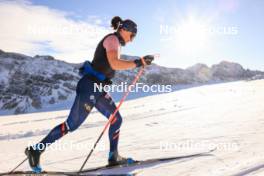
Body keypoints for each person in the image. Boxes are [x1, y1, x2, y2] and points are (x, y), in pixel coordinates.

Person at [25, 16, 154, 172]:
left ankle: (113, 157)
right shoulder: (112, 39)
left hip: (98, 89)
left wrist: (140, 62)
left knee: (116, 119)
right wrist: (138, 62)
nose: (132, 40)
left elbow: (110, 65)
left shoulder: (116, 43)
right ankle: (36, 149)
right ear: (124, 29)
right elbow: (114, 63)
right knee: (70, 125)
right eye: (132, 35)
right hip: (89, 87)